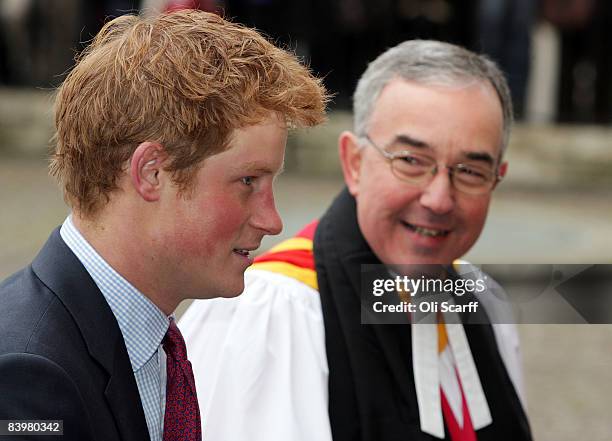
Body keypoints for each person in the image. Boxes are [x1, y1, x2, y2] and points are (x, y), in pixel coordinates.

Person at [181, 40, 533, 441]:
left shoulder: (482, 300)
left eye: (470, 171)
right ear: (354, 163)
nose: (439, 199)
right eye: (411, 161)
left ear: (497, 178)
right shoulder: (273, 314)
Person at [0, 10, 326, 441]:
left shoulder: (142, 335)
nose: (272, 219)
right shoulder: (29, 374)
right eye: (248, 181)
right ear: (151, 172)